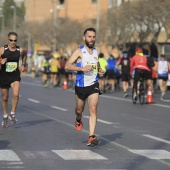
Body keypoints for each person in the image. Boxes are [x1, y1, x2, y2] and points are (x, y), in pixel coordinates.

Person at [65, 27, 104, 147]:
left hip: (93, 85)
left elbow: (96, 65)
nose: (92, 39)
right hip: (81, 86)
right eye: (89, 37)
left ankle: (91, 137)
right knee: (79, 110)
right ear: (84, 38)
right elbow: (67, 66)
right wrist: (81, 68)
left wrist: (100, 70)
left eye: (93, 37)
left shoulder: (96, 52)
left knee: (92, 109)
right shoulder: (79, 51)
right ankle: (78, 119)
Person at [0, 32, 27, 128]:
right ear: (8, 40)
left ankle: (12, 113)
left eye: (15, 40)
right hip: (4, 76)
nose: (13, 42)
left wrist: (23, 64)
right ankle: (5, 115)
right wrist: (1, 61)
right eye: (11, 40)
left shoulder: (20, 50)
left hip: (15, 75)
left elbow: (25, 55)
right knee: (5, 98)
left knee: (16, 94)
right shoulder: (2, 50)